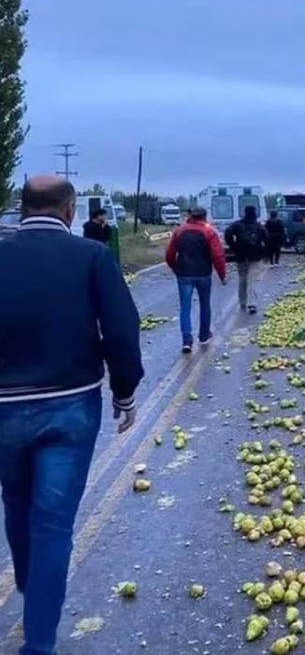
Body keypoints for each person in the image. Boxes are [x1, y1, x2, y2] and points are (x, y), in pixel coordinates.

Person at [0, 175, 144, 655]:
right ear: (69, 210)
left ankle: (30, 581)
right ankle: (38, 643)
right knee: (54, 523)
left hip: (3, 409)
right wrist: (123, 394)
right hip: (69, 406)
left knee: (16, 502)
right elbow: (122, 329)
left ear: (23, 209)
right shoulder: (91, 256)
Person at [165, 207, 227, 353]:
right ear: (204, 216)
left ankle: (186, 340)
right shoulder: (209, 231)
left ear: (190, 216)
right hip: (204, 273)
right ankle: (204, 335)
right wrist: (222, 275)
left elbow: (169, 254)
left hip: (184, 274)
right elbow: (218, 256)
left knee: (185, 307)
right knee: (205, 304)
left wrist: (175, 268)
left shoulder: (179, 231)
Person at [225, 206, 267, 314]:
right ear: (255, 213)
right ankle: (252, 304)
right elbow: (266, 239)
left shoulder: (237, 225)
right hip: (255, 256)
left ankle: (243, 301)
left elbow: (228, 233)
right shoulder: (259, 226)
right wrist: (264, 251)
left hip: (241, 255)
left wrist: (233, 246)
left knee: (242, 279)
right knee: (253, 279)